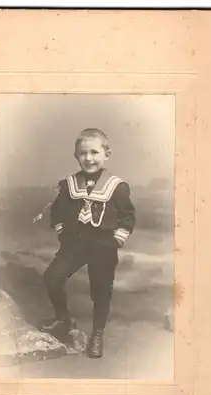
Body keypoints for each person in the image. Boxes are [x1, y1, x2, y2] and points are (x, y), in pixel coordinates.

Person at [41, 128, 136, 358]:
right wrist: (62, 232)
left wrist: (117, 238)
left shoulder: (117, 186)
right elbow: (57, 213)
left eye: (94, 152)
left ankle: (97, 334)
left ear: (107, 154)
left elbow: (128, 216)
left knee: (100, 290)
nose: (89, 158)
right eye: (83, 153)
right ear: (76, 156)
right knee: (52, 277)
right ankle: (63, 319)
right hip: (74, 244)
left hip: (103, 246)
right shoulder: (68, 185)